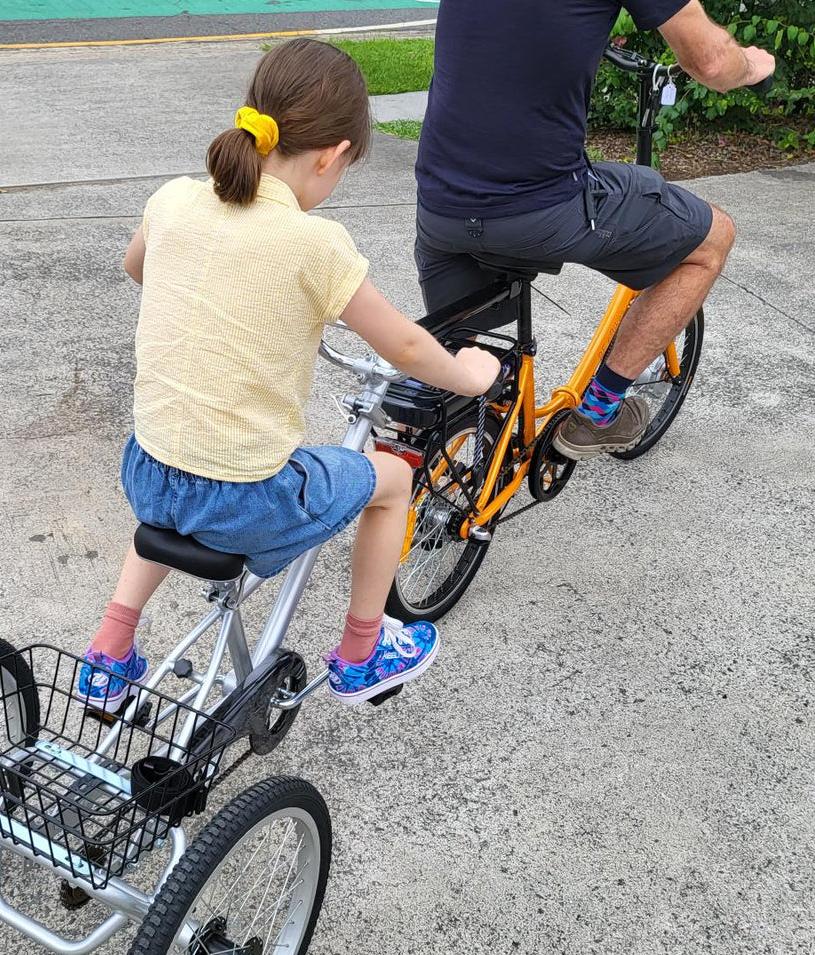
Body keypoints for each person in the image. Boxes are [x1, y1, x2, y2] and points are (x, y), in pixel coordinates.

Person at [75, 38, 501, 712]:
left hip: (147, 471)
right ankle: (363, 653)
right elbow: (410, 349)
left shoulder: (173, 201)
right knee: (392, 482)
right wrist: (470, 376)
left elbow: (137, 268)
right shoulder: (315, 244)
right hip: (242, 500)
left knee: (183, 472)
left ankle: (108, 653)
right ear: (331, 155)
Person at [414, 0, 776, 458]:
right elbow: (710, 60)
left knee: (464, 361)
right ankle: (599, 414)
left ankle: (481, 420)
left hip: (440, 206)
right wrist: (754, 65)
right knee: (712, 238)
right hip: (539, 206)